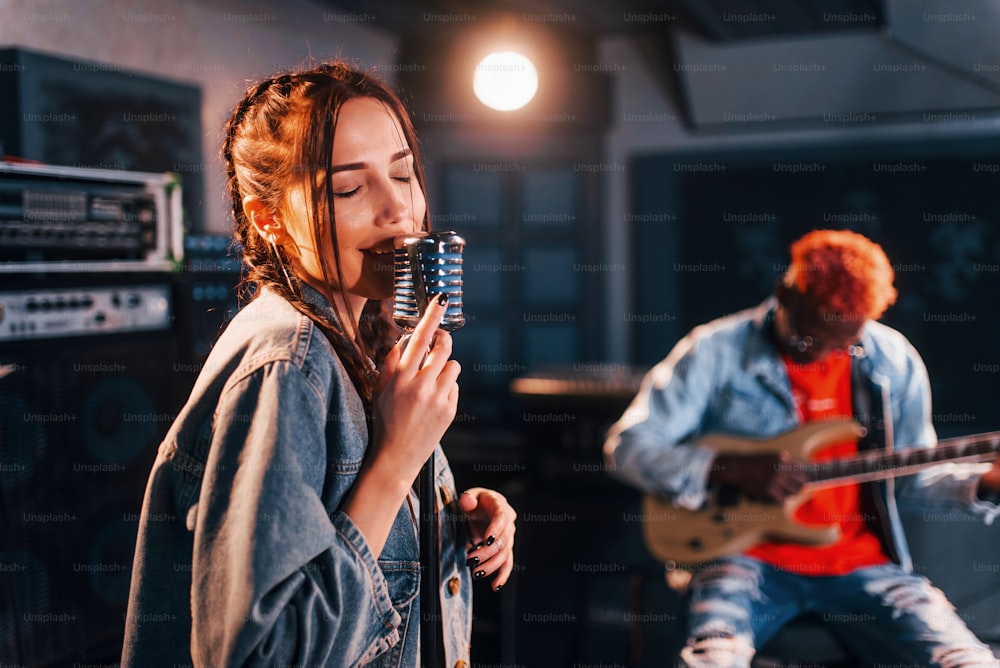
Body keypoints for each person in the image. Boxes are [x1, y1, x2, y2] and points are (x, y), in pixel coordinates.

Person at [121, 61, 516, 667]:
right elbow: (262, 655)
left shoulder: (360, 341)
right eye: (349, 188)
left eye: (404, 174)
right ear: (268, 219)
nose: (398, 211)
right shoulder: (284, 367)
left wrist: (438, 519)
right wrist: (395, 464)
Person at [605, 229, 1000, 667]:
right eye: (809, 340)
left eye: (845, 344)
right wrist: (727, 467)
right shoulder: (714, 350)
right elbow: (628, 446)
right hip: (743, 561)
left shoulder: (893, 360)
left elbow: (912, 475)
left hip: (862, 564)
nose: (824, 353)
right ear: (784, 296)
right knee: (711, 661)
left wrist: (984, 480)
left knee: (969, 662)